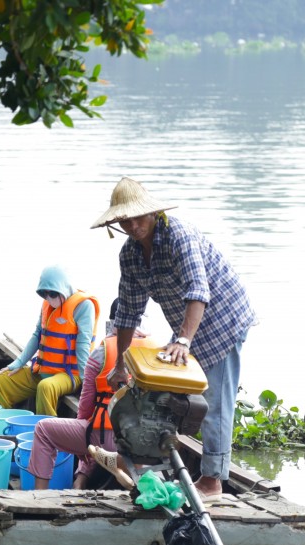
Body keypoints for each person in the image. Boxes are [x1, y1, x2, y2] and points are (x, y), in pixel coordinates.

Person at [90, 177, 257, 502]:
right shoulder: (131, 256)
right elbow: (128, 312)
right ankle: (133, 458)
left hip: (223, 318)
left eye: (138, 217)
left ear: (153, 213)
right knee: (158, 395)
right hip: (187, 325)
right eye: (126, 220)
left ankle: (212, 482)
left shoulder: (178, 236)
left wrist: (182, 340)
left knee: (214, 403)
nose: (133, 225)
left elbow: (198, 290)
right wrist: (122, 364)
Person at [28, 299, 153, 490]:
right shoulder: (155, 352)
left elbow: (85, 410)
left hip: (109, 439)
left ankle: (39, 495)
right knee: (95, 433)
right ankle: (83, 478)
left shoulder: (101, 353)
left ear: (112, 322)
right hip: (147, 442)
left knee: (44, 429)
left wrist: (82, 449)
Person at [0, 265, 100, 417]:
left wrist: (86, 381)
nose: (49, 298)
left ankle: (46, 435)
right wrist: (17, 363)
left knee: (46, 387)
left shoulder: (84, 306)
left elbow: (83, 345)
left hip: (69, 374)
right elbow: (37, 335)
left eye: (53, 293)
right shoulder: (47, 304)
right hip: (42, 370)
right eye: (44, 294)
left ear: (63, 289)